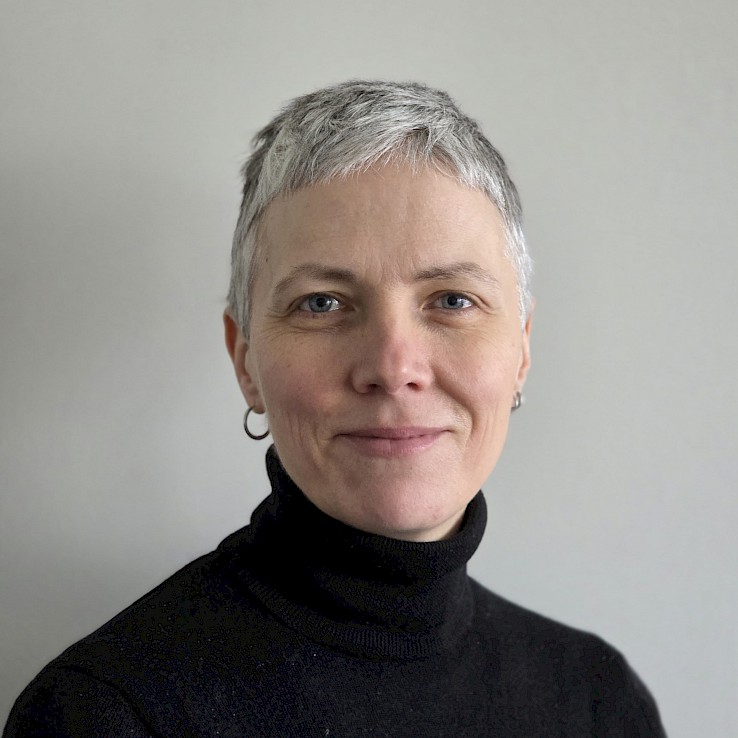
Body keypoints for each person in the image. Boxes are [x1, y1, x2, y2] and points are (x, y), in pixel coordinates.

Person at [4, 80, 666, 737]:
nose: (394, 368)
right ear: (245, 362)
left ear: (521, 350)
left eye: (452, 300)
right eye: (321, 303)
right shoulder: (103, 714)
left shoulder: (597, 702)